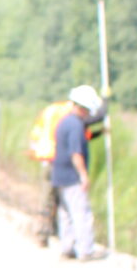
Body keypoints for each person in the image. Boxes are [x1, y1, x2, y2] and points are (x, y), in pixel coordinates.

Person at [50, 83, 102, 259]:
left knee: (65, 214)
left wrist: (100, 132)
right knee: (81, 213)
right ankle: (85, 250)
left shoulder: (64, 122)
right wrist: (83, 176)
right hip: (72, 176)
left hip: (59, 175)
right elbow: (75, 153)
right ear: (83, 108)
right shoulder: (75, 125)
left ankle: (68, 247)